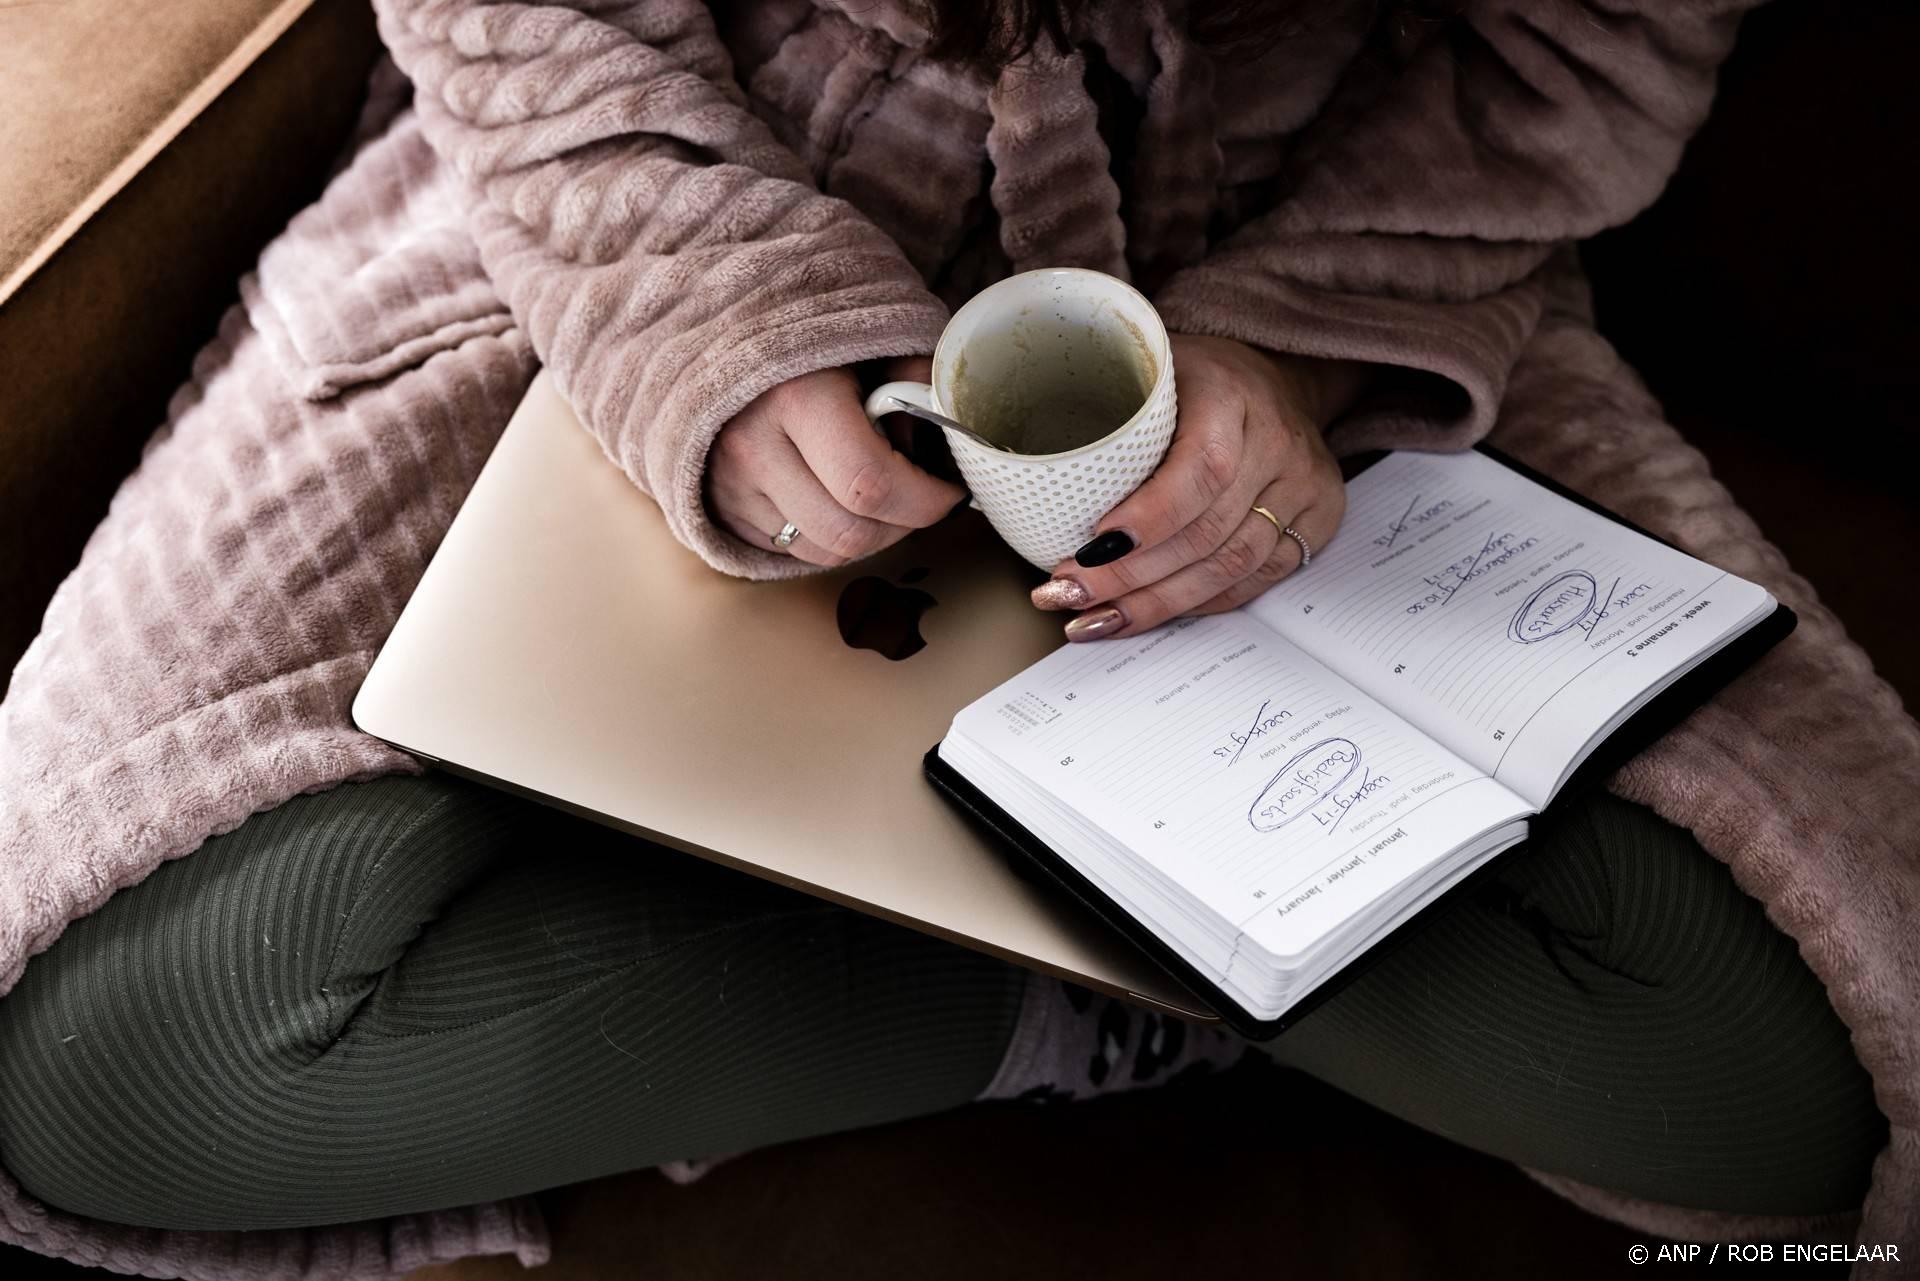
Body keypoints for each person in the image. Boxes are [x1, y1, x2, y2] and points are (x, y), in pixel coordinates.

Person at [0, 0, 1898, 1272]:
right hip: (644, 203)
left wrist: (1305, 343)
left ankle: (982, 944)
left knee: (1794, 1107)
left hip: (1307, 271)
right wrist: (705, 308)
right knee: (109, 1053)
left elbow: (1577, 52)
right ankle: (1136, 978)